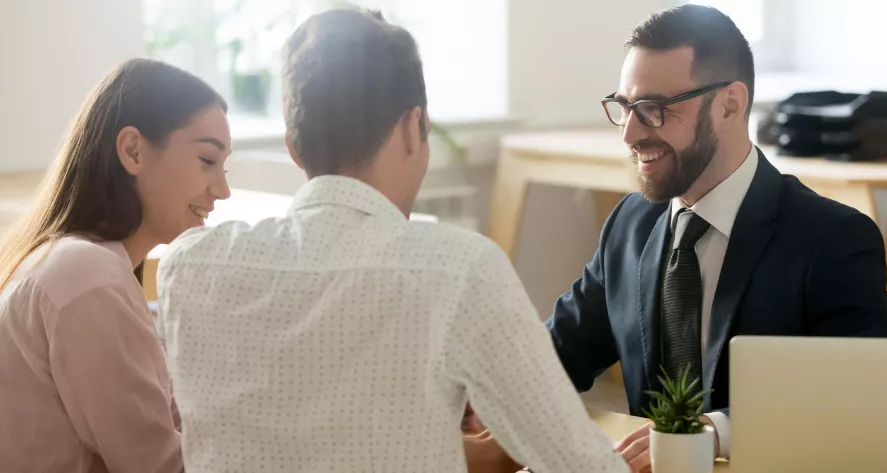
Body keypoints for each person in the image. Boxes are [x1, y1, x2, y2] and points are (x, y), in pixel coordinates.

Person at [155, 7, 629, 473]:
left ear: (294, 148)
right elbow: (581, 464)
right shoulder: (459, 268)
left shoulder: (187, 267)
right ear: (411, 128)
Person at [543, 5, 887, 472]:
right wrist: (477, 398)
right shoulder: (630, 225)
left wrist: (712, 434)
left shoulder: (833, 240)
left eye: (654, 110)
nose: (630, 133)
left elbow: (863, 393)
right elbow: (558, 352)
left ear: (730, 103)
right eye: (625, 107)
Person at [0, 58, 231, 472]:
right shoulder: (87, 277)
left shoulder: (78, 263)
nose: (223, 190)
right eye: (207, 161)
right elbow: (158, 466)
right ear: (133, 150)